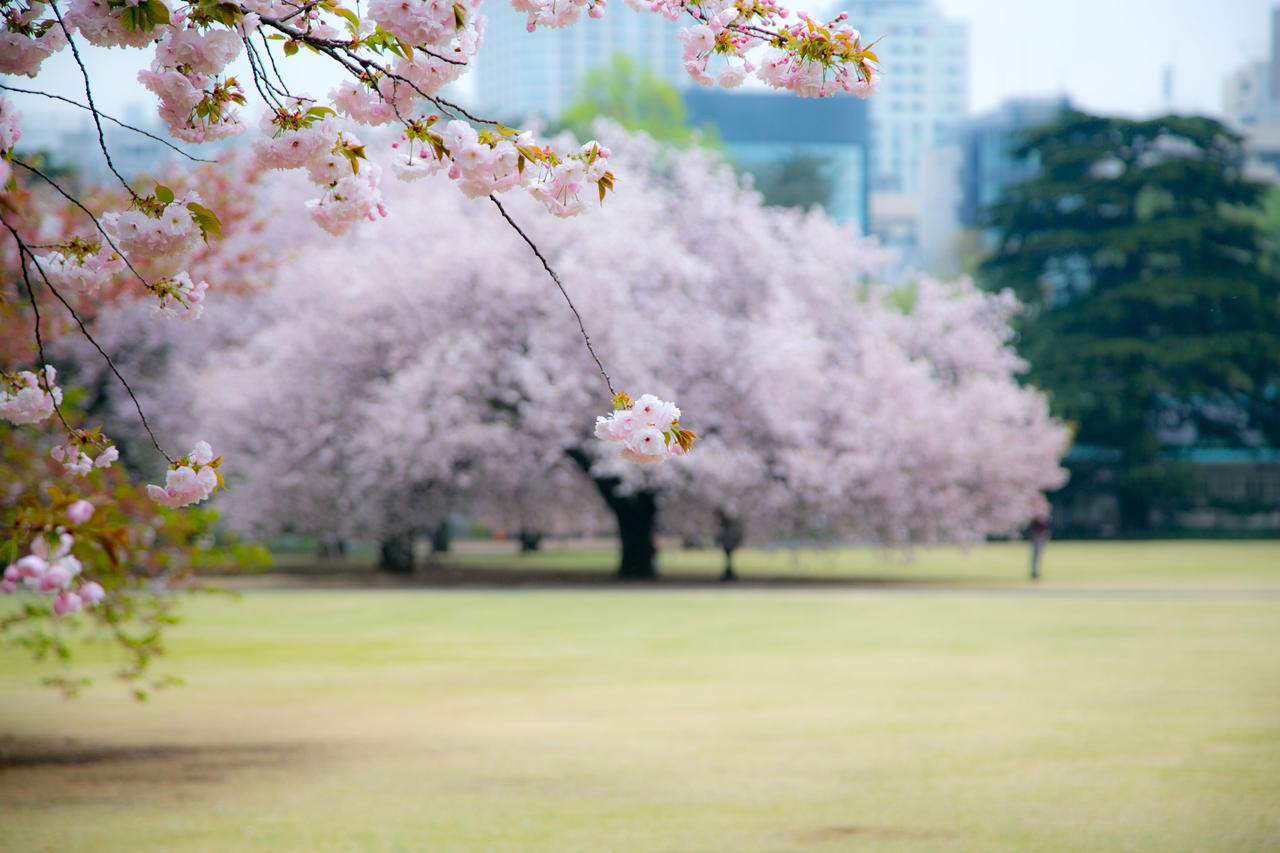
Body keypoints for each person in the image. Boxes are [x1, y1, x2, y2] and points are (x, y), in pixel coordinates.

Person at [1028, 515, 1051, 581]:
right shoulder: (1036, 518)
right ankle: (1034, 572)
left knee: (1039, 556)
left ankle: (1036, 572)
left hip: (1042, 536)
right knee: (1036, 555)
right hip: (1037, 536)